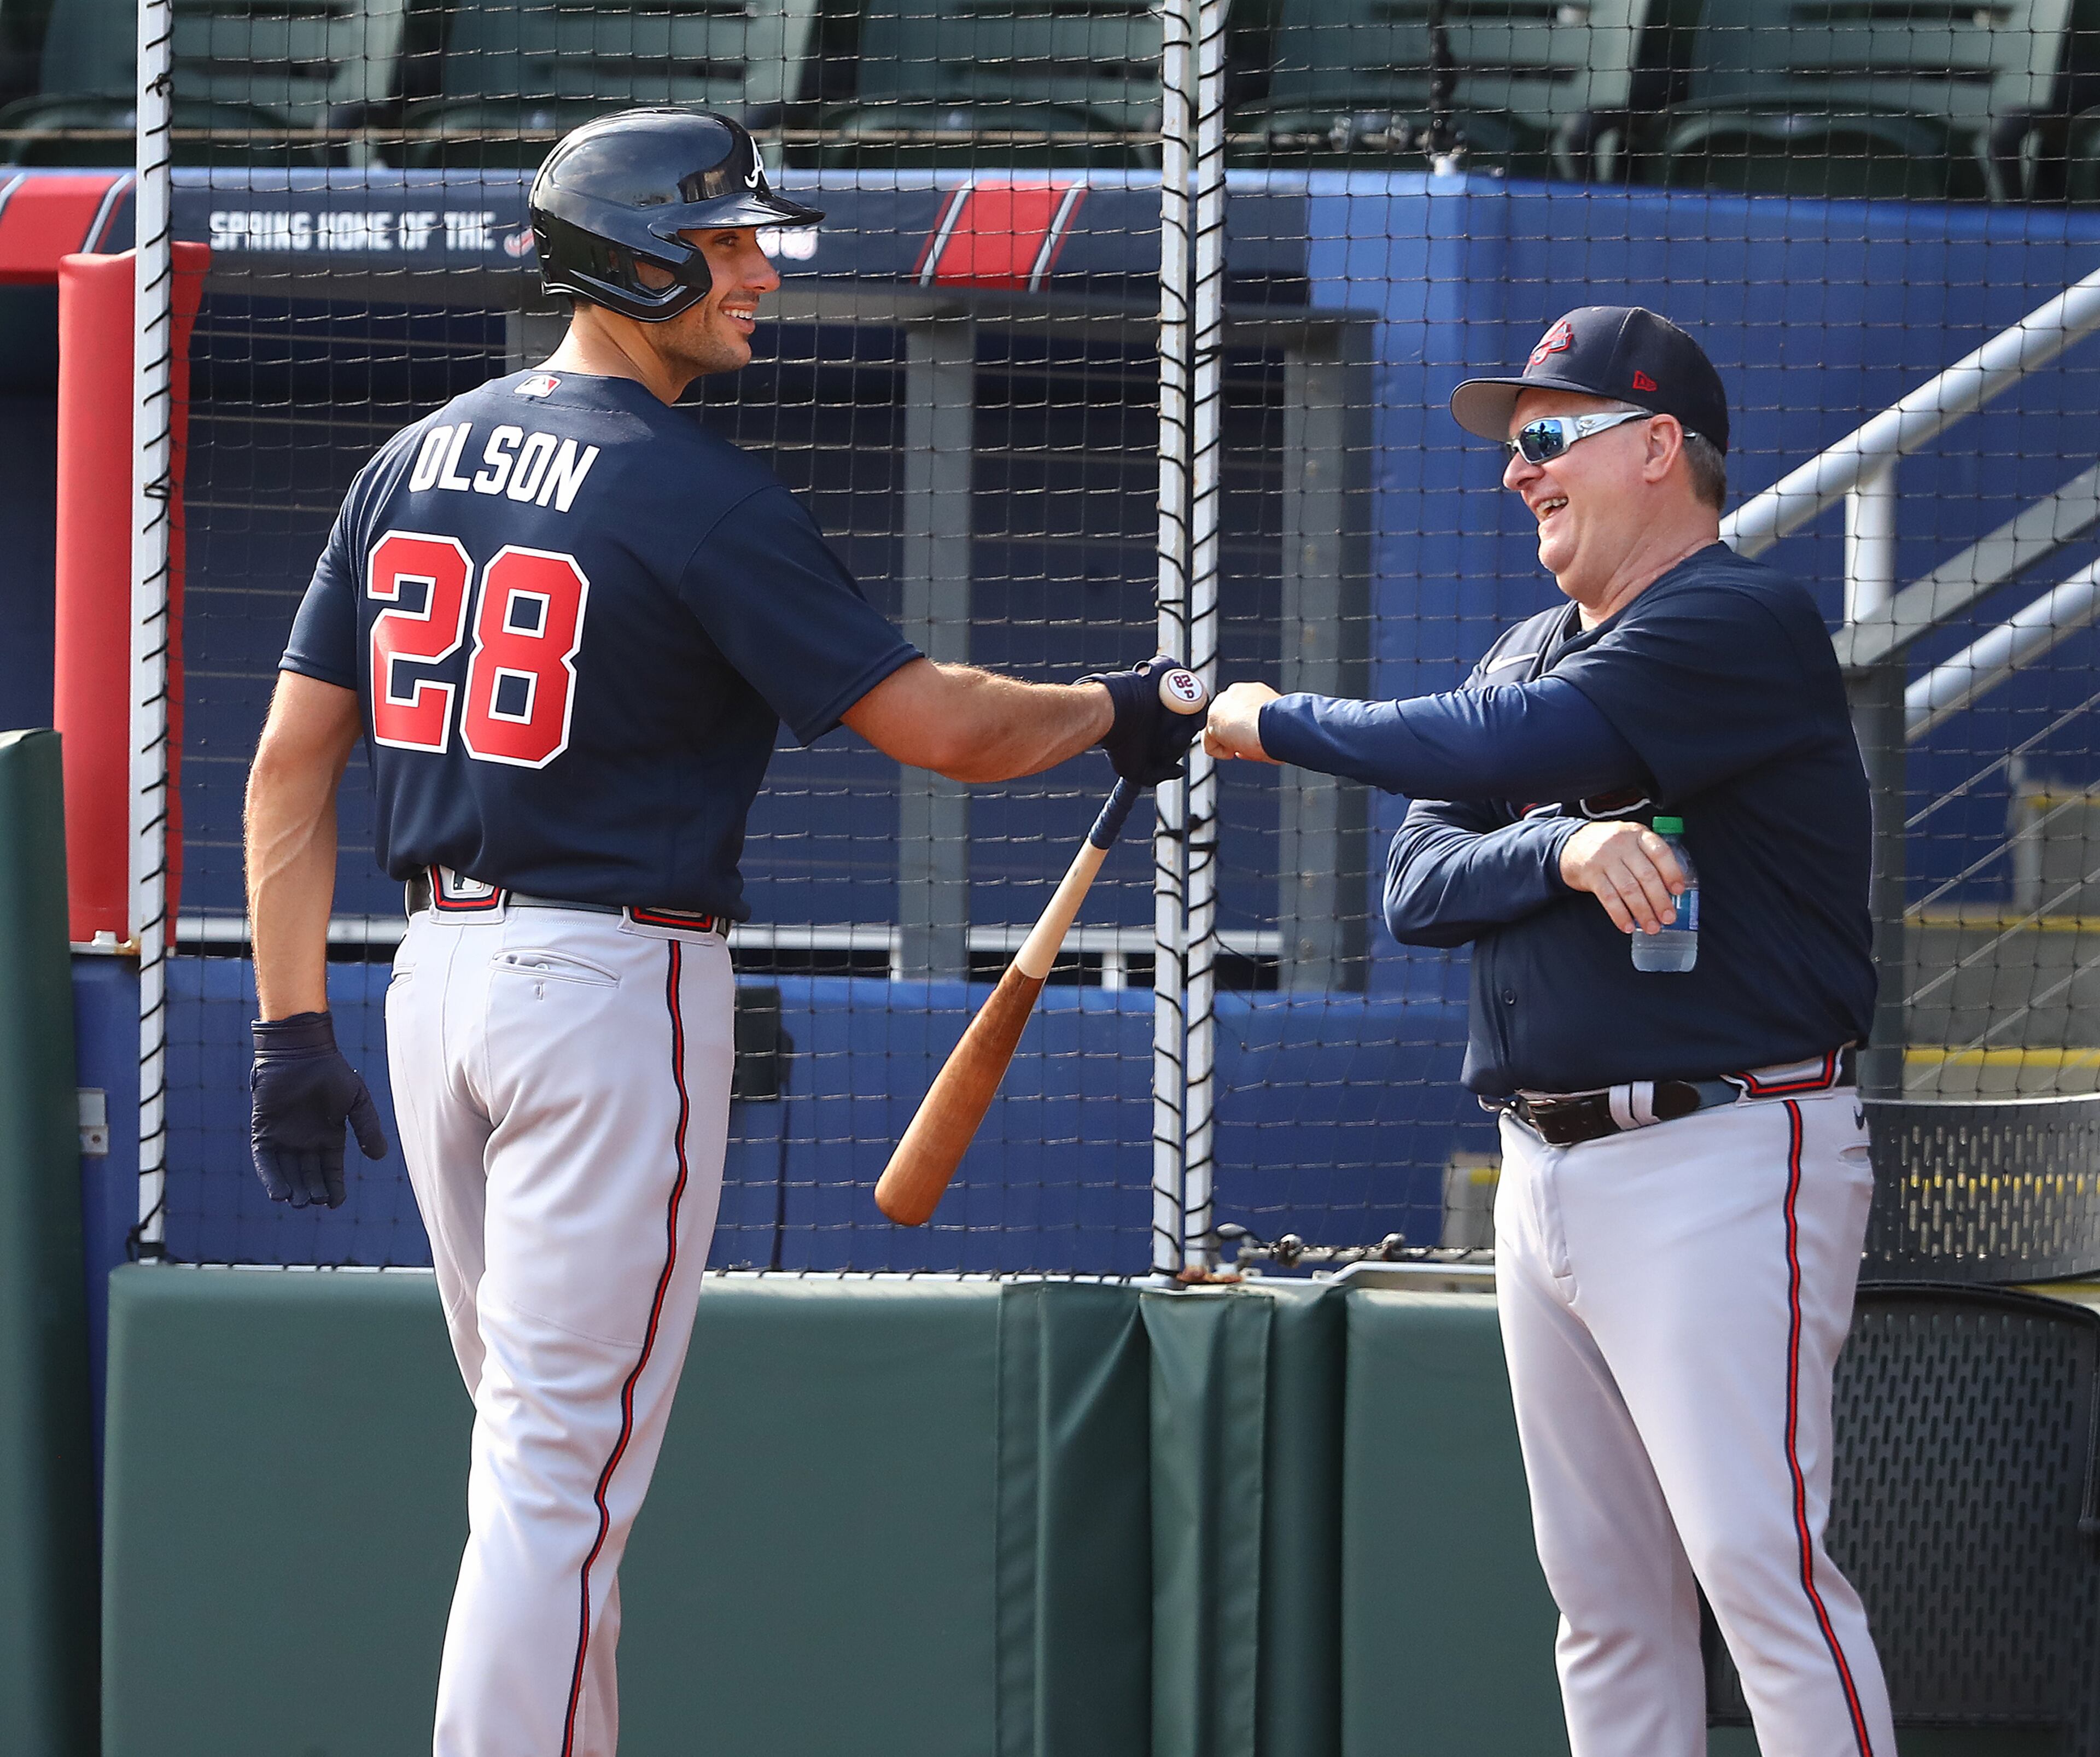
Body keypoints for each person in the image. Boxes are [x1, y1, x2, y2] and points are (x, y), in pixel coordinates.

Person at [241, 107, 1197, 1757]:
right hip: (604, 993)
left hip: (431, 990)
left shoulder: (415, 454)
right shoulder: (693, 490)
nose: (762, 271)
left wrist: (286, 1030)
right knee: (559, 1486)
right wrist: (1115, 706)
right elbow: (948, 733)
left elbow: (284, 776)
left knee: (542, 1474)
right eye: (729, 242)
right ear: (627, 257)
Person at [1204, 306, 1893, 1757]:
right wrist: (1561, 858)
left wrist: (1271, 720)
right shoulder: (1531, 642)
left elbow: (1498, 750)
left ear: (1658, 451)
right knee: (1603, 1601)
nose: (1518, 471)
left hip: (1725, 1142)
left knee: (1760, 1570)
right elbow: (1414, 884)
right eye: (1513, 446)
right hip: (1547, 1166)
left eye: (1548, 438)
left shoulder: (1736, 616)